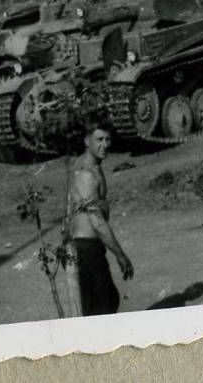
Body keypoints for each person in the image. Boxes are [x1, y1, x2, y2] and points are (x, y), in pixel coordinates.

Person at [67, 119, 133, 316]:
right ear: (87, 141)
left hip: (91, 247)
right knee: (101, 310)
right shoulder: (86, 174)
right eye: (99, 139)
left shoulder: (95, 166)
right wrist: (120, 254)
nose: (105, 145)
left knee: (107, 301)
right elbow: (97, 222)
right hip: (86, 248)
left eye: (108, 139)